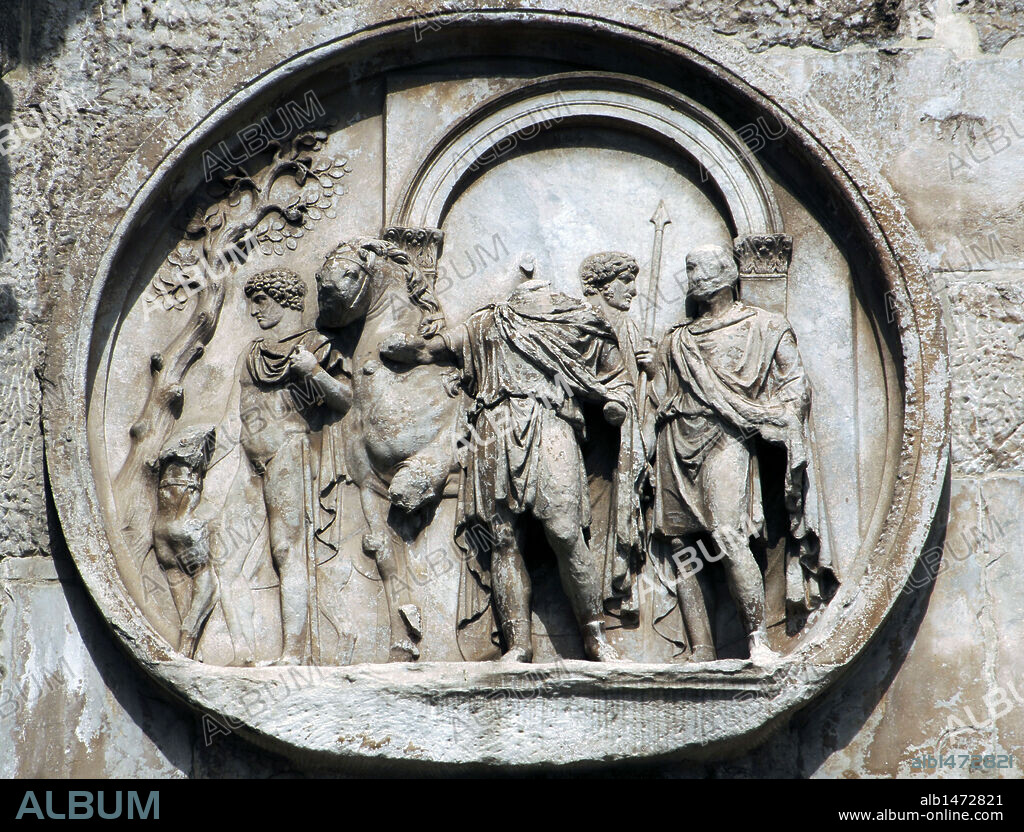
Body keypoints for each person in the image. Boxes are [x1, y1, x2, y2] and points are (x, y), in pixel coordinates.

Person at [380, 275, 643, 662]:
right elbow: (429, 351)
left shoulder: (577, 319)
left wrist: (616, 402)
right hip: (493, 430)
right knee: (502, 538)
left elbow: (617, 378)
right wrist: (401, 344)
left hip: (550, 422)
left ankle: (594, 637)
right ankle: (519, 644)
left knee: (566, 532)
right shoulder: (487, 321)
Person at [650, 244, 834, 664]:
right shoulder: (677, 339)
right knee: (681, 544)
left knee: (728, 535)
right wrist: (652, 371)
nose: (694, 276)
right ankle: (701, 649)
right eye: (689, 268)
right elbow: (660, 394)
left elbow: (795, 383)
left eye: (701, 268)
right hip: (677, 438)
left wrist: (778, 415)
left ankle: (757, 640)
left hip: (727, 437)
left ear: (728, 274)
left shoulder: (765, 326)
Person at [238, 268, 351, 664]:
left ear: (285, 300)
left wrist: (313, 371)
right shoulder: (252, 354)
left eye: (261, 301)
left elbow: (345, 400)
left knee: (287, 550)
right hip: (251, 463)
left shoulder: (315, 347)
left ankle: (294, 653)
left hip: (292, 452)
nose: (254, 311)